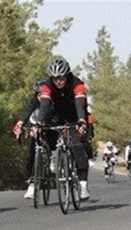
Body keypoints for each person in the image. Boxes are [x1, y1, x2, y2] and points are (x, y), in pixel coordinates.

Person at [34, 57, 90, 200]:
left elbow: (80, 104)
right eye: (55, 78)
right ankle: (55, 155)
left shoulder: (77, 83)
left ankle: (83, 186)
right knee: (47, 129)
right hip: (57, 116)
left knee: (77, 147)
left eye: (61, 78)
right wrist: (39, 122)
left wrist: (82, 121)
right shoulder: (46, 85)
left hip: (75, 115)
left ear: (67, 75)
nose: (58, 81)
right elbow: (44, 105)